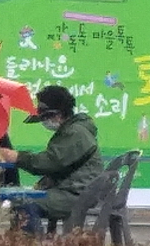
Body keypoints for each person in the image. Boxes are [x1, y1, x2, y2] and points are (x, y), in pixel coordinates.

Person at [12, 85, 103, 227]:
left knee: (24, 203)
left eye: (45, 117)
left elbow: (50, 162)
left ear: (58, 115)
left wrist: (17, 157)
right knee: (24, 198)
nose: (44, 122)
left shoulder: (75, 133)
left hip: (77, 195)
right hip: (77, 190)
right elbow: (62, 166)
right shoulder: (75, 129)